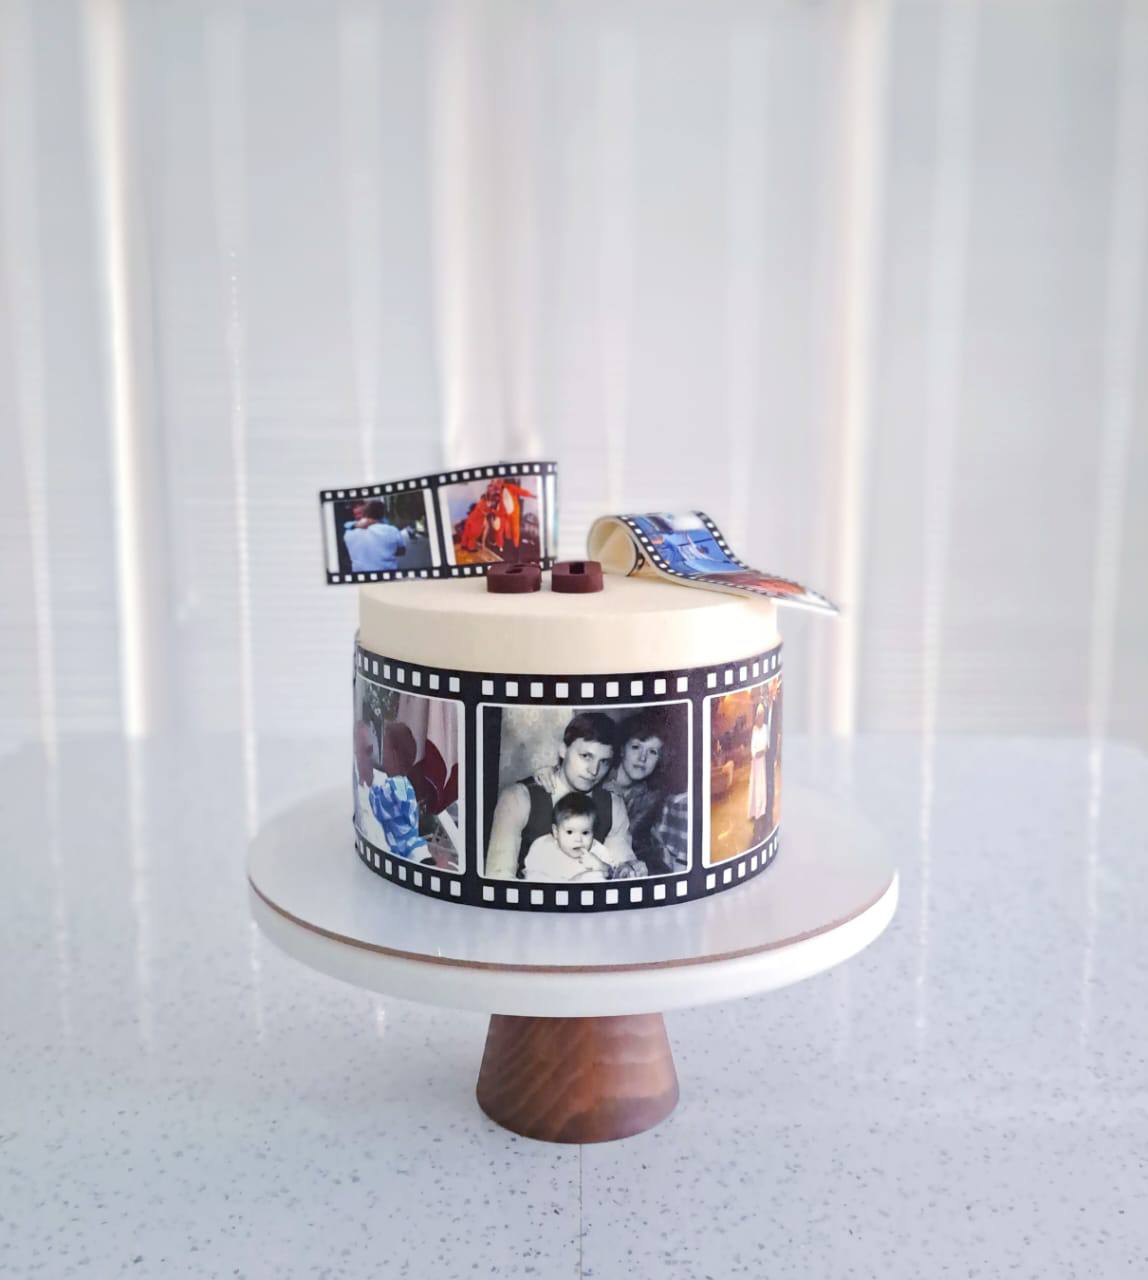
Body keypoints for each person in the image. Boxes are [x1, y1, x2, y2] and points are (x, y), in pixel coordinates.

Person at [484, 711, 636, 880]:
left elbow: (622, 869)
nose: (594, 771)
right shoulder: (518, 798)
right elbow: (499, 878)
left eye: (604, 762)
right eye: (586, 756)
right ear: (563, 750)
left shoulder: (613, 804)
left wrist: (629, 869)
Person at [602, 710, 671, 873]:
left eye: (652, 752)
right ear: (621, 749)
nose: (642, 758)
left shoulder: (651, 796)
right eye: (636, 747)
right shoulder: (598, 776)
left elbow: (633, 838)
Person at [355, 719, 428, 859]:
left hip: (410, 852)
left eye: (385, 749)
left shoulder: (394, 786)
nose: (381, 754)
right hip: (412, 848)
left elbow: (376, 805)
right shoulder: (405, 785)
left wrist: (368, 784)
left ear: (394, 755)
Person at [523, 791, 613, 882]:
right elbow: (532, 878)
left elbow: (613, 875)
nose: (578, 840)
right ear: (556, 832)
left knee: (596, 876)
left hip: (586, 890)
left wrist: (601, 866)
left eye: (585, 832)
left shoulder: (597, 850)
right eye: (570, 832)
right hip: (552, 890)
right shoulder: (543, 848)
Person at [343, 499, 407, 572]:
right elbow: (401, 551)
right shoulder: (391, 530)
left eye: (360, 512)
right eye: (355, 509)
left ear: (365, 512)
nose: (357, 513)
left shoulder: (348, 532)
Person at [747, 700, 770, 837]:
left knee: (762, 788)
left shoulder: (765, 728)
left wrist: (762, 751)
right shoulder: (754, 729)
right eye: (759, 715)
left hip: (762, 763)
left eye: (762, 715)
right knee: (755, 788)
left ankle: (761, 811)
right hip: (755, 763)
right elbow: (753, 748)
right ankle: (754, 811)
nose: (760, 717)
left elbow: (766, 745)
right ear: (757, 716)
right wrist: (757, 753)